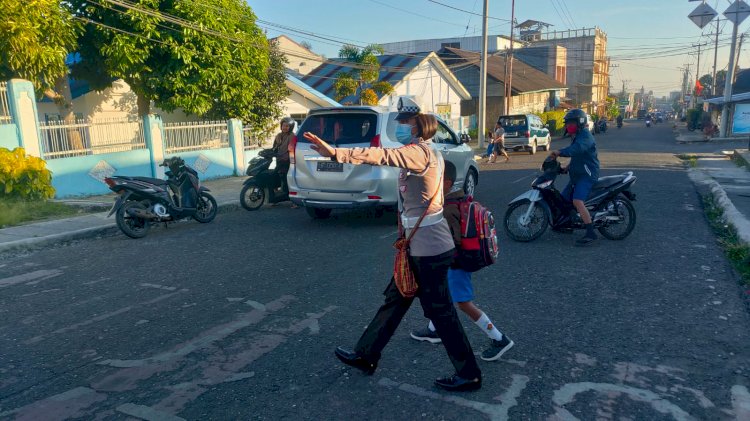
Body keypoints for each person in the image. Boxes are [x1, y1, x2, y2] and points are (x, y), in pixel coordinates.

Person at [302, 96, 482, 392]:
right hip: (419, 245)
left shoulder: (419, 152)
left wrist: (336, 152)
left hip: (430, 249)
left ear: (418, 125)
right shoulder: (429, 152)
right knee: (395, 300)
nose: (400, 128)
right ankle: (366, 354)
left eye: (404, 123)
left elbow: (381, 155)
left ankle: (470, 373)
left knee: (441, 312)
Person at [410, 160, 514, 361]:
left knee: (464, 304)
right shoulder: (457, 199)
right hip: (455, 263)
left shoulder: (448, 209)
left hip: (455, 264)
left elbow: (452, 240)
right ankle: (434, 330)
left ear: (446, 182)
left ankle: (499, 338)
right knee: (440, 295)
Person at [548, 109, 600, 246]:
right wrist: (567, 167)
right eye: (567, 123)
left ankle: (590, 233)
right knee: (564, 199)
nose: (568, 126)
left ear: (580, 123)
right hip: (577, 174)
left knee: (577, 201)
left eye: (571, 123)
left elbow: (577, 149)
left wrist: (559, 152)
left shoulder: (585, 136)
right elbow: (578, 156)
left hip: (587, 175)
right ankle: (567, 224)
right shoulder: (577, 136)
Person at [271, 117, 297, 207]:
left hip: (288, 161)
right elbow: (274, 147)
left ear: (291, 127)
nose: (285, 127)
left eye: (287, 126)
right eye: (283, 125)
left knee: (287, 180)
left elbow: (292, 149)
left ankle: (294, 202)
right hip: (279, 160)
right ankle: (275, 198)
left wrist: (287, 157)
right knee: (275, 176)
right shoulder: (278, 136)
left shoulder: (292, 136)